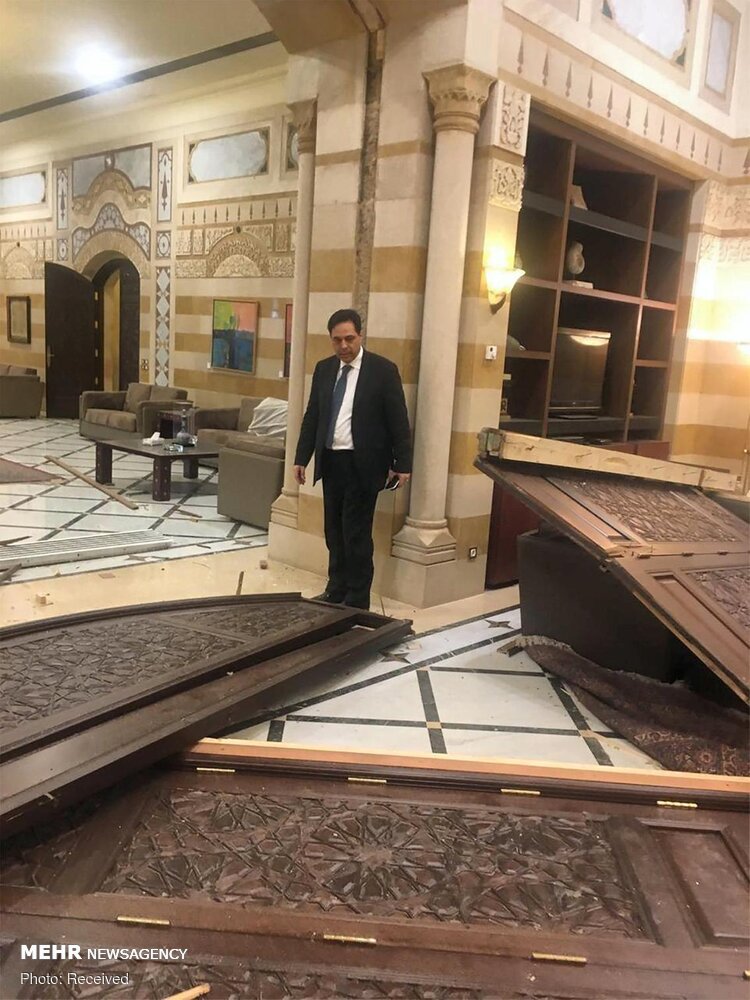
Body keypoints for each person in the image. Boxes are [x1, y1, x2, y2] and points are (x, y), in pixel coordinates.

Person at [293, 308, 412, 609]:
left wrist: (402, 464)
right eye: (337, 340)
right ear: (330, 340)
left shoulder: (382, 370)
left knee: (355, 533)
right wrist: (301, 457)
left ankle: (357, 599)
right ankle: (336, 589)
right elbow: (313, 416)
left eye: (349, 338)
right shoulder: (324, 369)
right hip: (332, 461)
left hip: (364, 464)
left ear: (360, 335)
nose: (343, 346)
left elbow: (398, 420)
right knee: (333, 531)